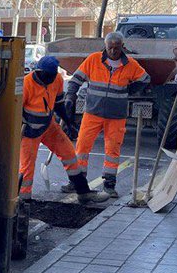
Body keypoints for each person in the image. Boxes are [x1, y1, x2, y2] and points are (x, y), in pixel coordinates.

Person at [64, 31, 150, 197]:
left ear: (122, 47)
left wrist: (129, 91)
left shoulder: (130, 64)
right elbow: (76, 79)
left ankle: (109, 185)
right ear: (105, 46)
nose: (113, 51)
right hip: (93, 112)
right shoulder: (93, 59)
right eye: (110, 47)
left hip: (116, 116)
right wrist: (70, 96)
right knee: (82, 147)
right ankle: (77, 182)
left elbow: (145, 79)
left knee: (112, 150)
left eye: (116, 48)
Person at [20, 56, 109, 204]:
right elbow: (17, 111)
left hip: (48, 125)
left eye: (53, 75)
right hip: (29, 130)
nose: (51, 79)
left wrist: (69, 122)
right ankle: (24, 201)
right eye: (48, 76)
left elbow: (59, 103)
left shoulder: (57, 80)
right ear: (39, 72)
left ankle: (83, 192)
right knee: (27, 167)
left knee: (69, 154)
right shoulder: (26, 84)